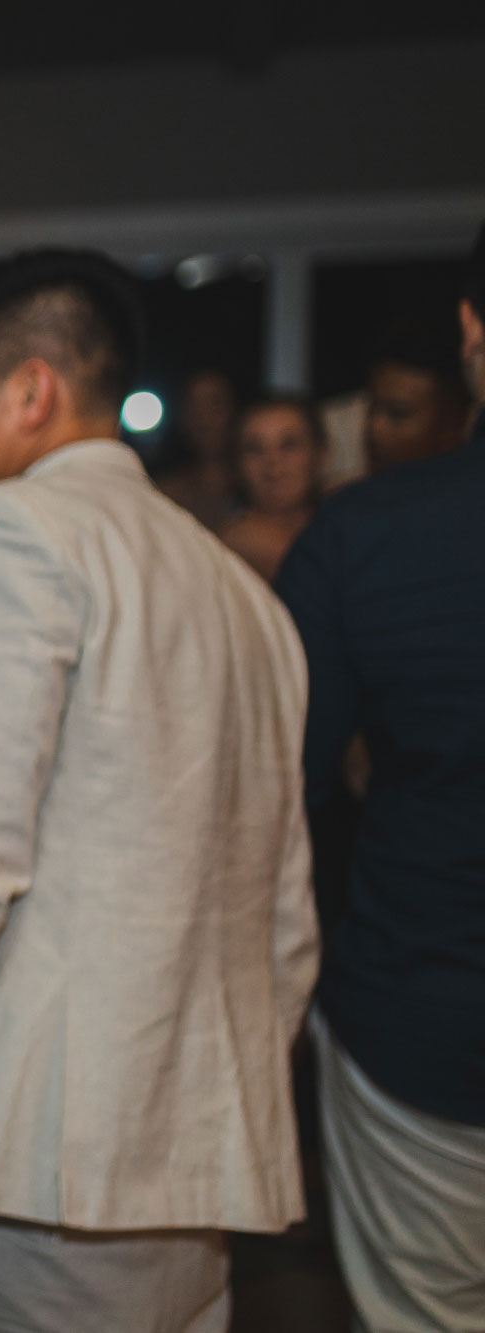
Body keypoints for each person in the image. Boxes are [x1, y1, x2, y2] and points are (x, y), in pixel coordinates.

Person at [0, 249, 317, 1333]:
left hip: (27, 1158)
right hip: (192, 1168)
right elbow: (284, 917)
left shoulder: (9, 532)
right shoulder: (241, 593)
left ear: (30, 392)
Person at [273, 220, 485, 1333]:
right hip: (418, 1011)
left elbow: (286, 789)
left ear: (468, 334)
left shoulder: (368, 533)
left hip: (423, 1009)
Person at [218, 393, 328, 582]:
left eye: (289, 446)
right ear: (237, 465)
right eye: (255, 450)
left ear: (320, 454)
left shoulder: (332, 519)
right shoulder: (242, 538)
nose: (274, 466)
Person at [362, 320, 472, 473]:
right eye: (371, 407)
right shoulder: (349, 495)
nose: (373, 429)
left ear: (453, 426)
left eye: (398, 414)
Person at [156, 366, 241, 529]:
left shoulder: (260, 485)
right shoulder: (167, 491)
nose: (202, 417)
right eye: (192, 405)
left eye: (214, 403)